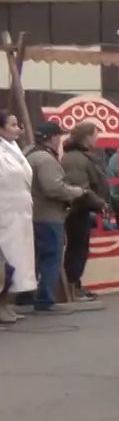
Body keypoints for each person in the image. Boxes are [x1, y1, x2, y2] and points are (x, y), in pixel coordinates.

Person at [27, 121, 89, 313]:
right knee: (51, 258)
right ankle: (45, 299)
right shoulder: (45, 159)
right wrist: (76, 192)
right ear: (51, 138)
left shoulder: (28, 154)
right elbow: (53, 188)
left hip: (34, 214)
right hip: (49, 215)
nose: (60, 141)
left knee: (34, 258)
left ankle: (25, 296)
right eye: (58, 137)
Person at [59, 121, 111, 299]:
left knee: (79, 249)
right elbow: (80, 188)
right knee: (77, 249)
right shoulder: (75, 158)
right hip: (76, 210)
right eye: (95, 134)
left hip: (81, 209)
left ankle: (75, 286)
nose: (97, 138)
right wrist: (100, 204)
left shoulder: (80, 156)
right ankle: (71, 289)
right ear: (87, 137)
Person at [0, 110, 33, 325]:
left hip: (20, 214)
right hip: (4, 212)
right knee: (4, 264)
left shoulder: (15, 149)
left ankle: (7, 303)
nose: (18, 129)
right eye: (12, 125)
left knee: (17, 262)